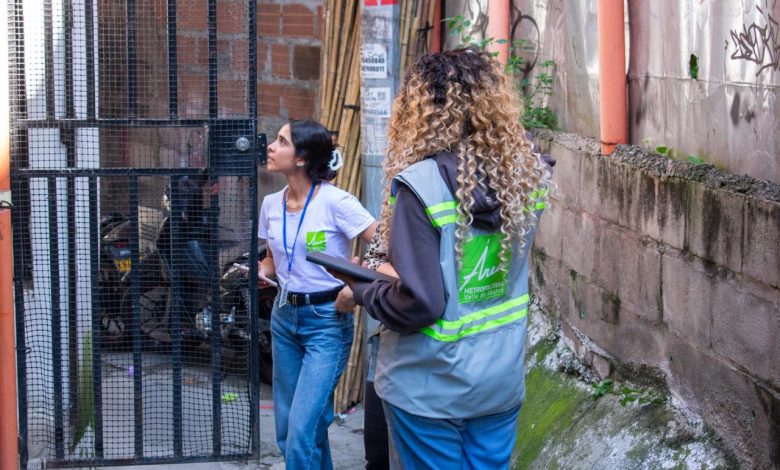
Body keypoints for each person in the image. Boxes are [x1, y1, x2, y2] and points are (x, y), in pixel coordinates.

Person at [335, 47, 552, 469]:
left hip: (428, 386)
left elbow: (420, 302)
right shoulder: (527, 176)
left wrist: (362, 287)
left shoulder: (421, 185)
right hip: (499, 379)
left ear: (420, 112)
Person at [257, 119, 376, 469]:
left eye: (282, 141)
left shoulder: (336, 202)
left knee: (302, 432)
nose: (271, 146)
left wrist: (354, 289)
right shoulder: (271, 204)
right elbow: (273, 262)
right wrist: (261, 272)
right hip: (284, 318)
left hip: (327, 321)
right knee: (288, 430)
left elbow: (386, 245)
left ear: (302, 158)